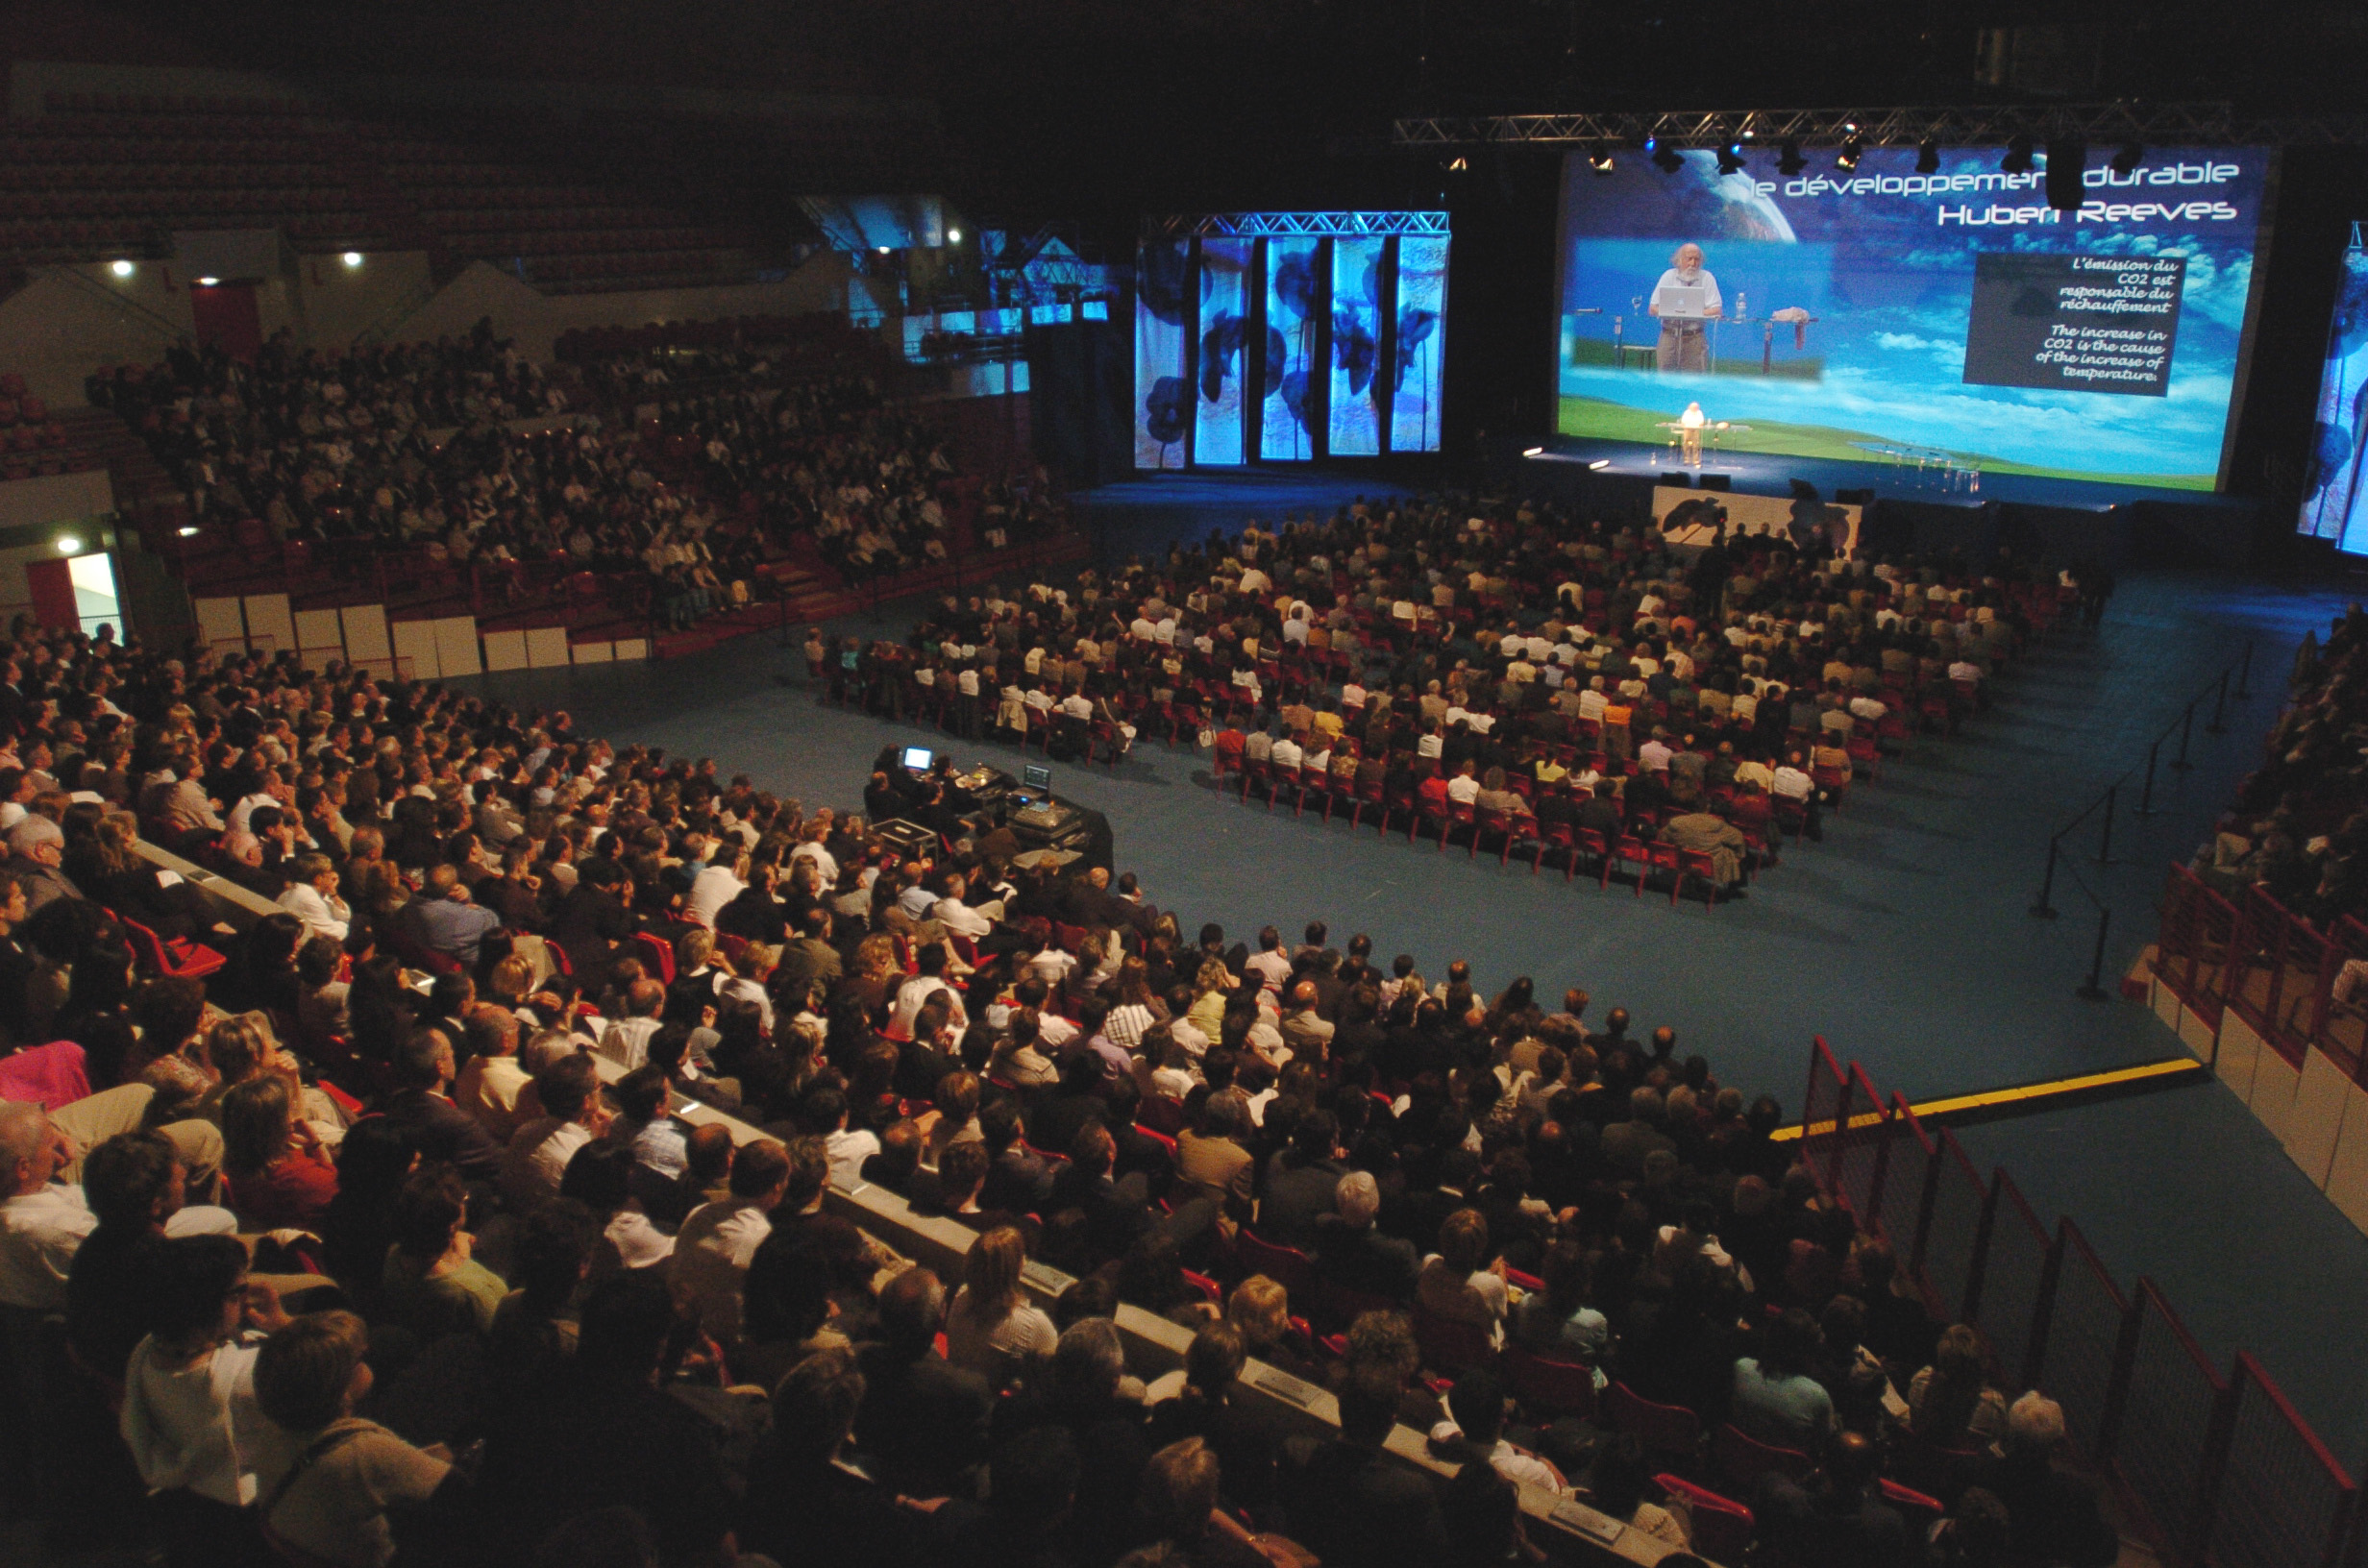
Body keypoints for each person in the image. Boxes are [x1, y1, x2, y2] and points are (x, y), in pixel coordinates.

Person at [119, 1234, 291, 1567]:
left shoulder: (146, 1353)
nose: (246, 1296)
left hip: (191, 1509)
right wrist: (282, 1324)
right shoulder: (251, 1373)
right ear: (210, 1303)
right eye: (239, 1290)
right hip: (257, 1516)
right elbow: (349, 1373)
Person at [252, 1310, 453, 1568]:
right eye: (360, 1357)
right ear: (338, 1386)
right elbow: (461, 1493)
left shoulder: (271, 1431)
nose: (368, 1353)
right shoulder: (364, 1452)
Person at [944, 1222, 1057, 1389]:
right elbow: (1052, 1377)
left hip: (950, 1389)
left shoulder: (959, 1296)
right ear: (1015, 1268)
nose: (1025, 1261)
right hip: (989, 1402)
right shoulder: (1035, 1325)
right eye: (1022, 1257)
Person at [1649, 243, 1722, 373]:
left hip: (1694, 339)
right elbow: (1652, 308)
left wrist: (1692, 313)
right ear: (1679, 260)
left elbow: (1717, 310)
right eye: (1689, 259)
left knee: (1694, 381)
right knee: (1665, 379)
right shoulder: (1668, 276)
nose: (1693, 263)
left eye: (1697, 259)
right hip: (1669, 337)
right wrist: (1672, 313)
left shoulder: (1707, 278)